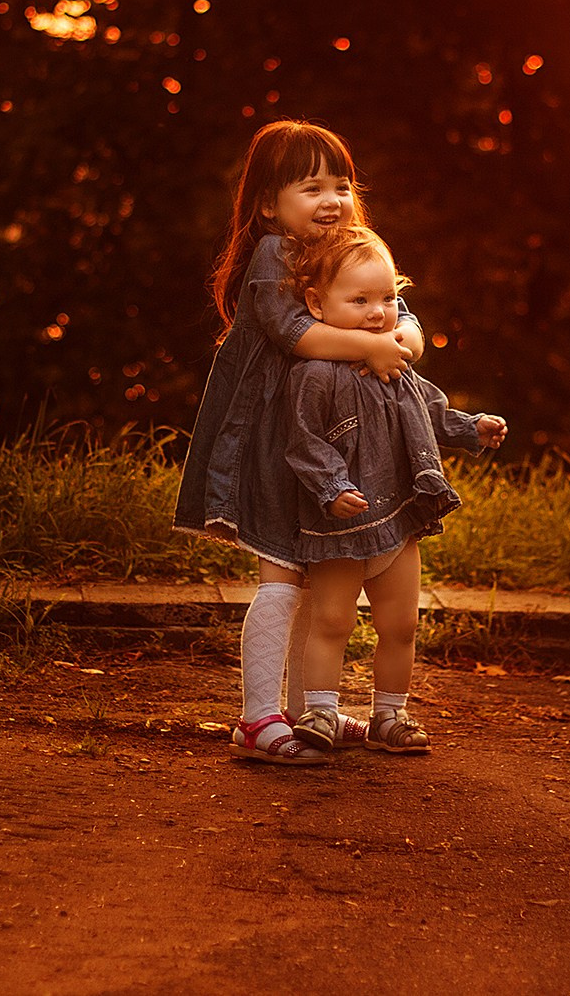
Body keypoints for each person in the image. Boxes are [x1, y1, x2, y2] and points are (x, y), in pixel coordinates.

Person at [174, 121, 423, 765]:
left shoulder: (348, 251)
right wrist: (371, 345)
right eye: (311, 188)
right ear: (267, 204)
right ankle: (257, 717)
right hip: (269, 438)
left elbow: (398, 312)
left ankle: (310, 710)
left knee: (317, 577)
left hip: (328, 445)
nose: (331, 200)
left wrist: (401, 337)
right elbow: (297, 334)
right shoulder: (273, 255)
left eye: (341, 185)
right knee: (281, 574)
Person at [281, 226, 506, 754]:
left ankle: (390, 714)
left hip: (400, 516)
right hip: (341, 522)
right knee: (332, 620)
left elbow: (428, 410)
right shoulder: (315, 374)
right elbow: (304, 441)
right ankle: (320, 710)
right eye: (359, 300)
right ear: (317, 303)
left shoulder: (394, 362)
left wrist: (470, 429)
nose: (377, 313)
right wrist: (332, 487)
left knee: (401, 624)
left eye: (386, 299)